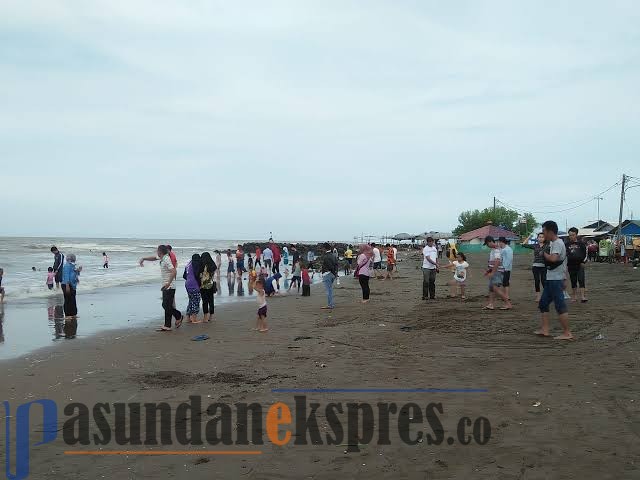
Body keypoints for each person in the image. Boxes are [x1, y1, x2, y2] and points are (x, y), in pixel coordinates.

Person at [535, 220, 573, 340]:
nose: (543, 234)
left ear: (549, 231)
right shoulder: (554, 243)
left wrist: (543, 254)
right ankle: (545, 330)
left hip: (556, 280)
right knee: (543, 304)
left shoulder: (557, 243)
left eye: (544, 231)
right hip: (552, 278)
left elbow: (553, 259)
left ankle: (567, 333)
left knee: (559, 305)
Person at [139, 245, 183, 332]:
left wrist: (168, 283)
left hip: (169, 286)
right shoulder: (163, 258)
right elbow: (154, 258)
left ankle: (177, 317)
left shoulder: (166, 259)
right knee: (166, 305)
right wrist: (143, 258)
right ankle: (169, 324)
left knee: (166, 305)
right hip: (166, 285)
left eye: (157, 251)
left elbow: (174, 270)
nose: (156, 252)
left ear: (160, 252)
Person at [483, 236, 512, 310]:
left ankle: (508, 304)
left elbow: (497, 261)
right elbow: (492, 263)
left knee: (495, 288)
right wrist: (488, 271)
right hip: (496, 271)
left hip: (497, 272)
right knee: (491, 289)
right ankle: (491, 304)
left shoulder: (496, 250)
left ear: (490, 242)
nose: (487, 246)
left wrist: (492, 272)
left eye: (487, 244)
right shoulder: (494, 249)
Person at [522, 232, 547, 302]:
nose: (541, 238)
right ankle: (538, 297)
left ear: (545, 238)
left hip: (544, 266)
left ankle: (545, 296)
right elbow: (523, 244)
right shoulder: (535, 246)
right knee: (537, 281)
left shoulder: (547, 245)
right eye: (539, 237)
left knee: (544, 281)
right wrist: (529, 237)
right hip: (536, 266)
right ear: (537, 238)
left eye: (542, 237)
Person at [566, 227, 588, 303]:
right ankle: (574, 297)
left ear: (576, 235)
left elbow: (586, 254)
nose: (571, 236)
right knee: (573, 281)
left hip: (580, 265)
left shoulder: (581, 244)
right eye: (570, 235)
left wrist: (583, 262)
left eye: (573, 235)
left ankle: (583, 296)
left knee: (581, 280)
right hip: (571, 265)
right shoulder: (566, 244)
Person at [61, 254, 81, 319]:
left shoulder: (73, 266)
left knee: (73, 299)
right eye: (72, 259)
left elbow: (75, 274)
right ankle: (67, 315)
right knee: (68, 300)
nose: (73, 260)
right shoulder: (67, 266)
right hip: (66, 284)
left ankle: (73, 314)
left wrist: (78, 271)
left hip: (73, 284)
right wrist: (67, 285)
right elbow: (66, 276)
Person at [200, 252, 217, 323]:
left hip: (203, 286)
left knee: (205, 301)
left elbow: (200, 276)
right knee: (211, 301)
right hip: (211, 284)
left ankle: (205, 317)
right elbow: (212, 276)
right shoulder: (213, 265)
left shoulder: (202, 266)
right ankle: (211, 317)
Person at [321, 243, 338, 309]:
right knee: (330, 289)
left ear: (325, 248)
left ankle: (330, 305)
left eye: (322, 248)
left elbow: (330, 266)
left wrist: (333, 272)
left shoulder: (326, 256)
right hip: (332, 274)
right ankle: (331, 304)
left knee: (328, 290)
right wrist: (335, 273)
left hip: (327, 274)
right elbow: (336, 264)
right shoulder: (333, 255)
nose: (322, 249)